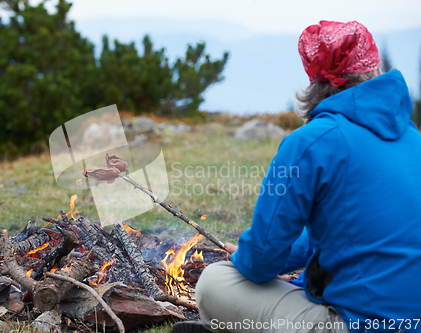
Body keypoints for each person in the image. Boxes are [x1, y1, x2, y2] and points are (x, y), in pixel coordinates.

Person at [172, 20, 421, 333]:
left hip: (362, 325)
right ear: (374, 69)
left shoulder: (310, 143)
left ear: (315, 78)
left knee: (215, 282)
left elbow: (260, 262)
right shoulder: (414, 138)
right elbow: (350, 233)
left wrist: (251, 258)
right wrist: (282, 262)